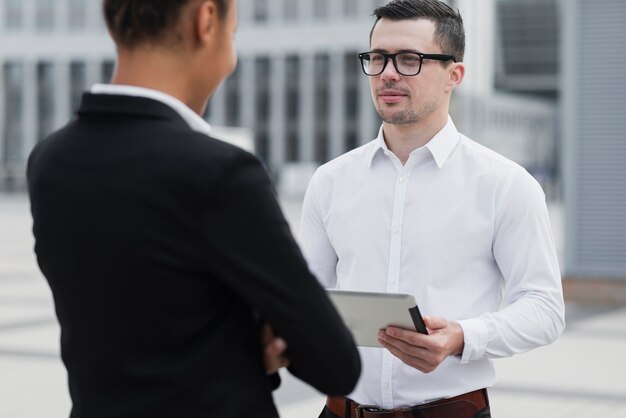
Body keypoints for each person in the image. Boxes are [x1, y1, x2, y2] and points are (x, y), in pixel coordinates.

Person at [27, 1, 360, 417]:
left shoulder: (50, 161)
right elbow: (336, 364)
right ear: (206, 21)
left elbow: (129, 312)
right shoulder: (221, 173)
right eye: (233, 35)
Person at [299, 1, 565, 417]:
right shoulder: (330, 181)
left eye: (409, 59)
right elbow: (304, 297)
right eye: (378, 58)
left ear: (453, 75)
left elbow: (545, 309)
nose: (387, 72)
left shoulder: (505, 185)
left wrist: (463, 336)